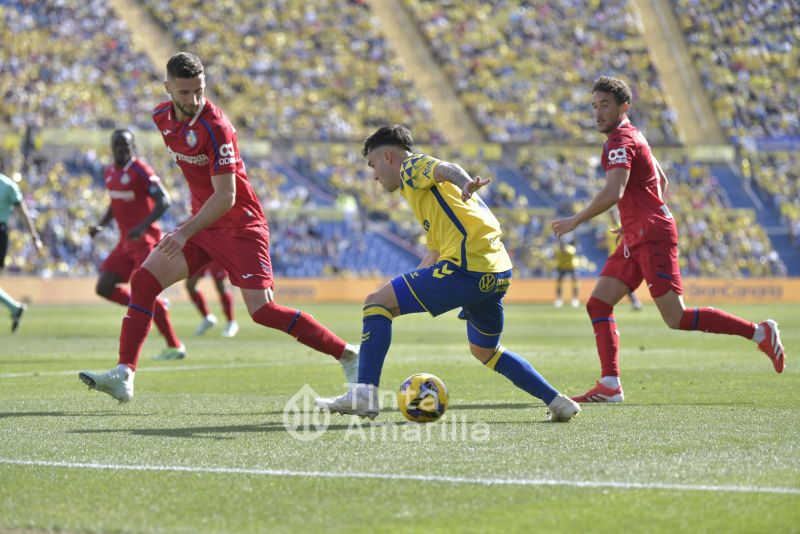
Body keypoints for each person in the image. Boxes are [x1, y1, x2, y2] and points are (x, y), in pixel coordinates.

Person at [79, 52, 358, 402]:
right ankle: (124, 374)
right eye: (184, 92)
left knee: (263, 312)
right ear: (167, 89)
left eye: (199, 90)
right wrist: (190, 227)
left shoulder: (217, 127)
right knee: (144, 280)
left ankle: (348, 355)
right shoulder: (160, 118)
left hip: (241, 226)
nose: (194, 99)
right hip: (205, 225)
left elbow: (226, 196)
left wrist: (182, 231)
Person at [315, 125, 580, 422]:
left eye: (373, 165)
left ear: (388, 157)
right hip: (496, 271)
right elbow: (434, 253)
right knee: (486, 351)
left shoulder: (411, 167)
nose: (374, 175)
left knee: (375, 303)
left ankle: (363, 394)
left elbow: (446, 168)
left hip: (466, 267)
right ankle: (557, 401)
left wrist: (466, 182)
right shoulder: (429, 198)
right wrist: (403, 294)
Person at [551, 76, 786, 403]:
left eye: (605, 105)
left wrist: (576, 220)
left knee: (676, 317)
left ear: (623, 107)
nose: (598, 112)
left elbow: (614, 191)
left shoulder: (619, 141)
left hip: (651, 235)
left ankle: (760, 332)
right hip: (640, 232)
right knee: (599, 302)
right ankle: (610, 384)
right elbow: (659, 179)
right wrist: (635, 218)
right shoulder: (634, 134)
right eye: (594, 106)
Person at [90, 129, 185, 360]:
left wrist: (143, 226)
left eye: (126, 144)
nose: (121, 148)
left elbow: (164, 200)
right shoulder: (110, 171)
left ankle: (174, 346)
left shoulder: (140, 170)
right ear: (112, 147)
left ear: (133, 147)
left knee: (144, 290)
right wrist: (102, 225)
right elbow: (115, 203)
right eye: (117, 144)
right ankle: (150, 306)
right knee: (104, 287)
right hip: (125, 242)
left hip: (144, 240)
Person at [0, 165, 42, 332]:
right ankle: (15, 308)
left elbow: (23, 213)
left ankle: (15, 308)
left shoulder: (8, 186)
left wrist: (34, 236)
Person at [185, 261, 239, 337]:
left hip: (217, 252)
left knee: (220, 285)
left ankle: (231, 322)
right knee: (190, 284)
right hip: (203, 251)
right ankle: (207, 318)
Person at [553, 237, 579, 308]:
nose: (562, 248)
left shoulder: (571, 250)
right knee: (559, 282)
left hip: (570, 266)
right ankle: (559, 299)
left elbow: (572, 253)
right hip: (562, 267)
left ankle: (575, 299)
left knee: (575, 281)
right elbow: (555, 257)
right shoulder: (558, 251)